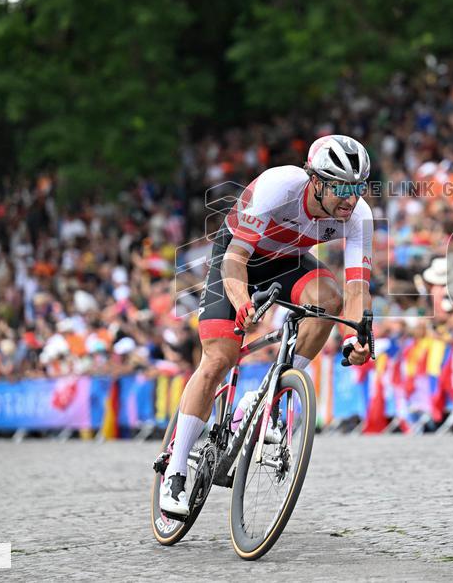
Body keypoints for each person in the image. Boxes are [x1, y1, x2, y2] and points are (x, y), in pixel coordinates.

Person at [159, 135, 375, 516]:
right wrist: (242, 304)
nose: (349, 198)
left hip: (288, 260)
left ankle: (266, 396)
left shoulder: (359, 217)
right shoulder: (281, 185)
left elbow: (357, 288)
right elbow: (235, 260)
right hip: (238, 257)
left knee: (329, 301)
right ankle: (175, 471)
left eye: (357, 188)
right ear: (316, 181)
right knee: (219, 359)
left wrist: (355, 336)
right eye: (340, 187)